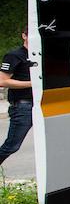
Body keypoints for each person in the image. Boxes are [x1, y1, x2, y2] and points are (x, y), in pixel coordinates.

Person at [0, 25, 34, 169]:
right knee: (12, 145)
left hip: (41, 104)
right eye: (29, 35)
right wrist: (32, 84)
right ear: (24, 36)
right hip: (22, 106)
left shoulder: (38, 55)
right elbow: (2, 81)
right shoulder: (14, 55)